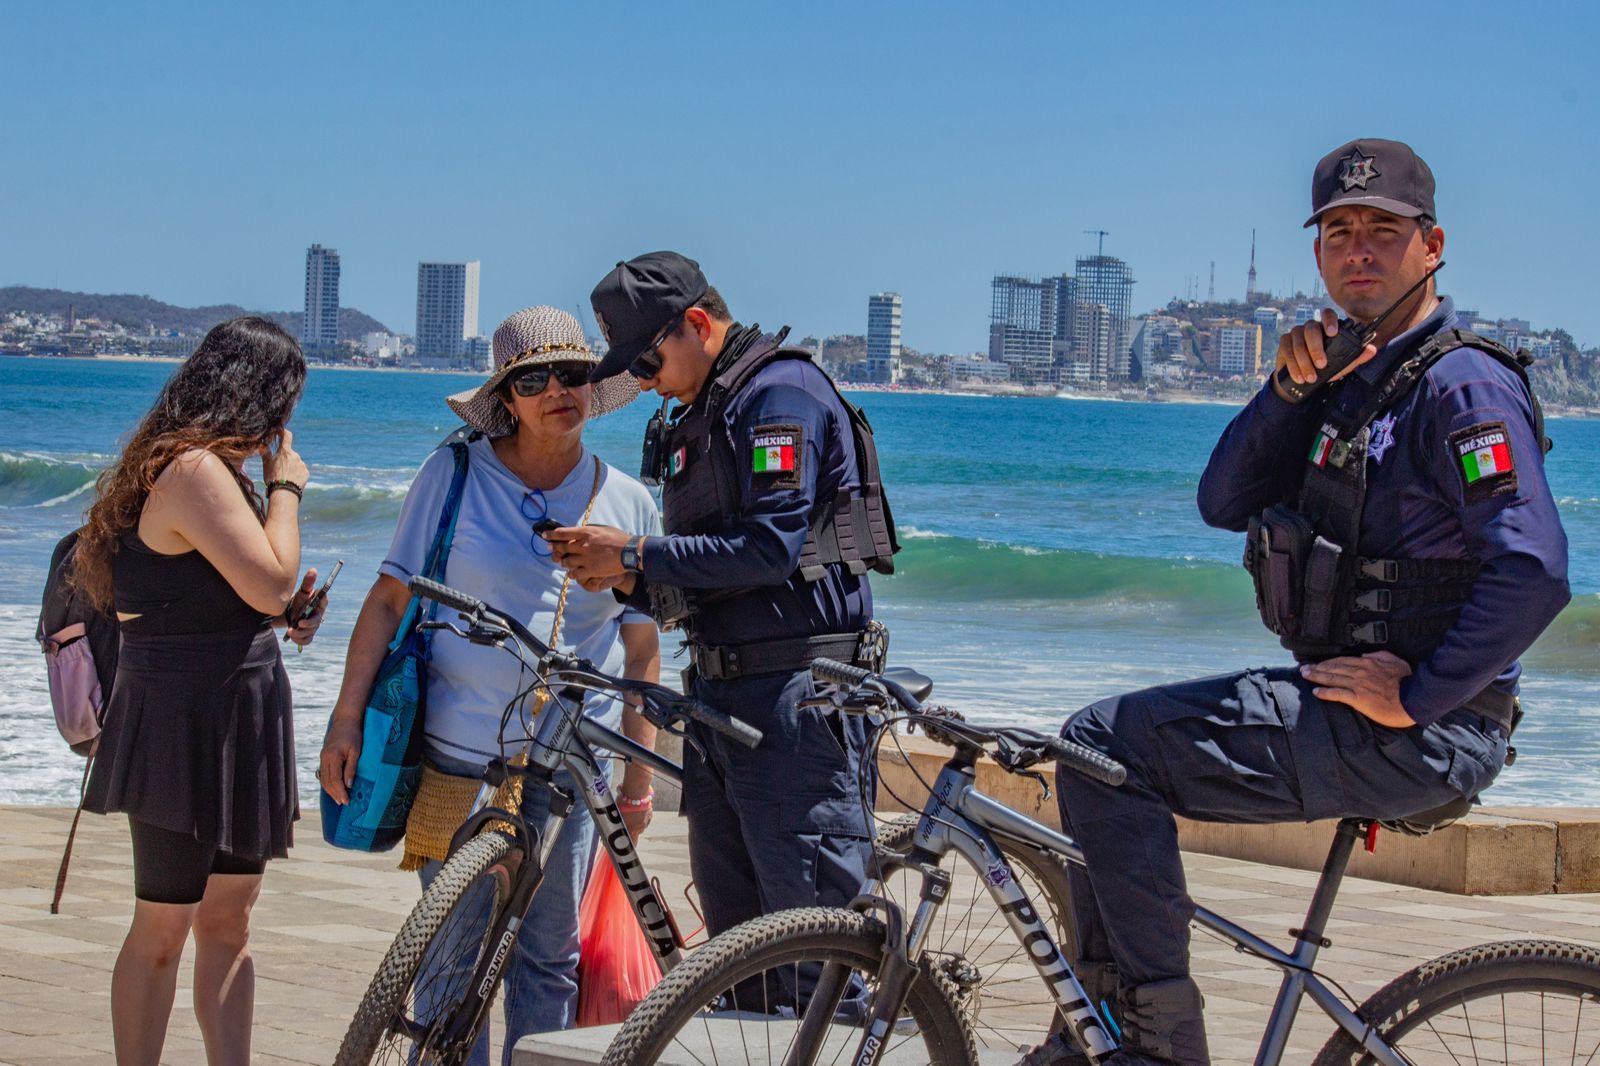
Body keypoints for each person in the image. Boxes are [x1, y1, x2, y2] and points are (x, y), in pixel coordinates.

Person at [1023, 139, 1571, 1065]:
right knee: (1101, 762)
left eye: (1383, 231)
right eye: (1340, 231)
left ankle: (1157, 1047)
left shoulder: (1460, 383)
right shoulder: (1344, 378)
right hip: (1342, 705)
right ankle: (1103, 1036)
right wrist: (1287, 391)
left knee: (1103, 746)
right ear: (1318, 252)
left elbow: (1536, 569)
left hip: (1419, 729)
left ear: (1431, 245)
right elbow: (1221, 502)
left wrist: (1420, 693)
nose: (1359, 249)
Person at [319, 306, 659, 1063]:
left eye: (571, 375)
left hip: (573, 768)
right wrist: (345, 720)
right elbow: (386, 600)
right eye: (532, 380)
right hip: (457, 759)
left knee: (548, 963)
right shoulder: (454, 473)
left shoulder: (628, 500)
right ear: (506, 398)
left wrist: (637, 780)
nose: (556, 391)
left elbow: (641, 652)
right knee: (447, 960)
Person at [547, 251, 897, 948]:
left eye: (646, 365)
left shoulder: (780, 395)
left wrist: (634, 552)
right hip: (722, 700)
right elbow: (718, 571)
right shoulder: (708, 408)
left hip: (797, 702)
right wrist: (624, 578)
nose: (644, 385)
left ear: (697, 324)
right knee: (737, 955)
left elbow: (770, 548)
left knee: (812, 950)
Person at [72, 316, 325, 1066]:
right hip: (182, 715)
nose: (285, 425)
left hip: (237, 709)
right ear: (257, 394)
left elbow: (256, 595)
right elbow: (273, 577)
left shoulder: (213, 471)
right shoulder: (191, 471)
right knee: (162, 926)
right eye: (284, 403)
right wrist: (287, 488)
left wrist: (289, 618)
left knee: (229, 923)